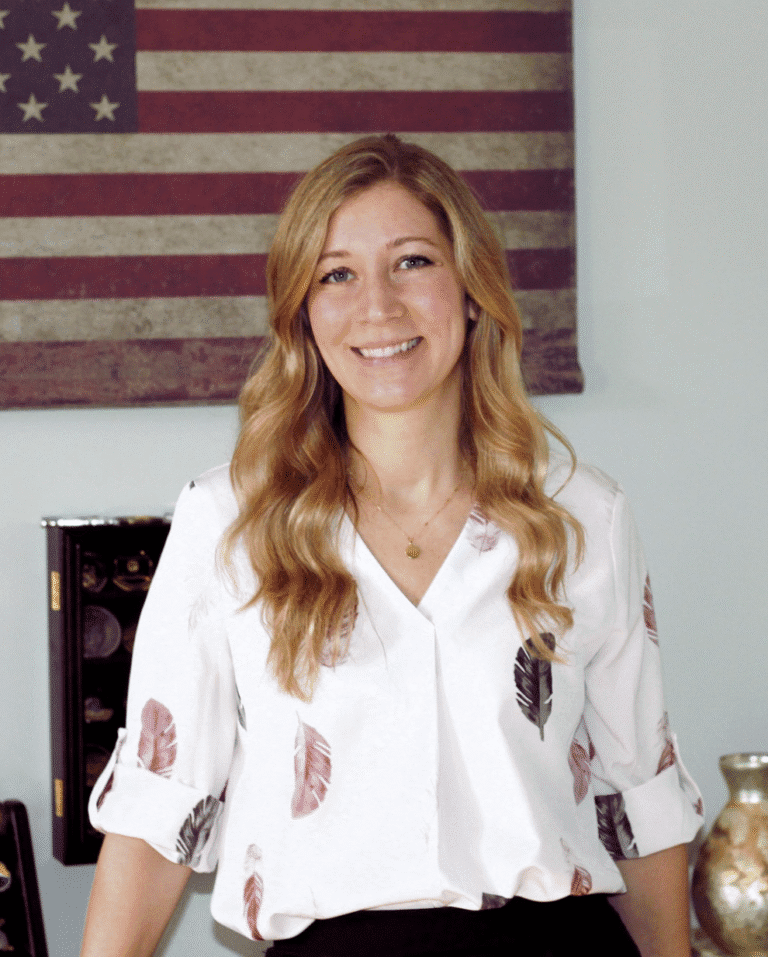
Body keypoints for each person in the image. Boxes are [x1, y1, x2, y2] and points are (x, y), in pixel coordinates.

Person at [81, 135, 703, 957]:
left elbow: (638, 805)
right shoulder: (228, 521)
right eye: (336, 274)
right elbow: (158, 816)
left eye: (412, 262)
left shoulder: (582, 515)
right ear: (303, 312)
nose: (378, 306)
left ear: (471, 291)